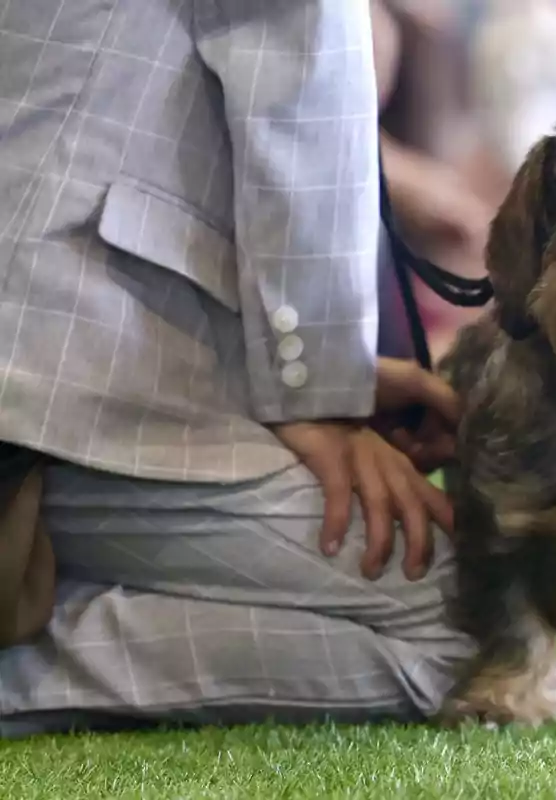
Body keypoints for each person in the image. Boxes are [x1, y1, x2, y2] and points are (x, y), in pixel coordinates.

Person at [0, 0, 474, 737]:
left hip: (59, 343)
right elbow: (294, 54)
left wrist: (304, 374)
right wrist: (316, 390)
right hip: (62, 370)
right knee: (472, 623)